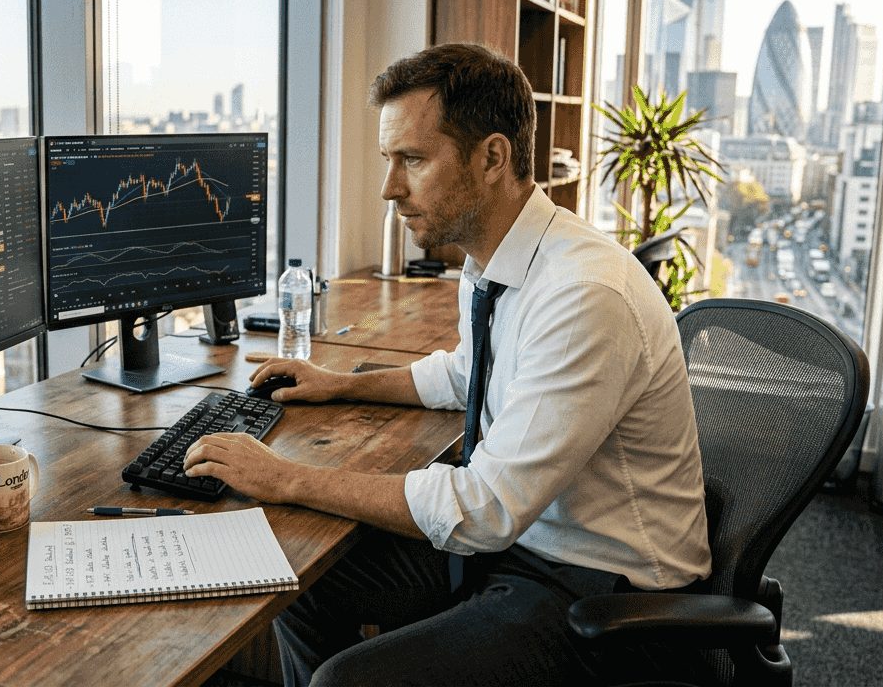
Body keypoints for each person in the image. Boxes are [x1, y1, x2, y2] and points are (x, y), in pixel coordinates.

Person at [183, 42, 711, 686]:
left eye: (413, 159)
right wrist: (340, 385)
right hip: (524, 542)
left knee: (346, 682)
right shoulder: (492, 256)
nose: (389, 188)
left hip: (605, 590)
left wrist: (285, 477)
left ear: (492, 157)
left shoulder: (583, 293)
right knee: (296, 573)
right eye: (388, 160)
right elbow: (467, 373)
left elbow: (485, 508)